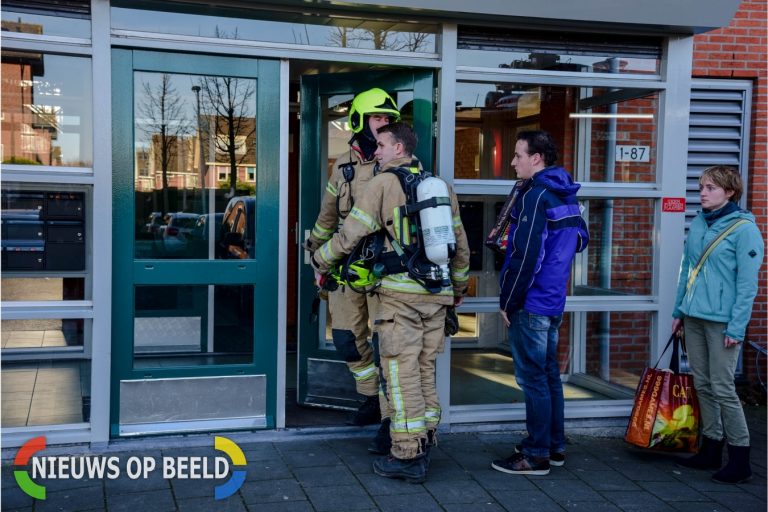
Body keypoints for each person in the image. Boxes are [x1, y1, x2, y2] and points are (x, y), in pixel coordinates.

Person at [311, 122, 470, 483]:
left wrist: (319, 260)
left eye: (382, 145)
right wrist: (457, 290)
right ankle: (425, 440)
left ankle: (407, 455)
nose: (376, 151)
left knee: (400, 375)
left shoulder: (382, 183)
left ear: (399, 148)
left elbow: (351, 232)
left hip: (399, 298)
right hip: (436, 296)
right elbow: (460, 245)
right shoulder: (440, 186)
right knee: (425, 371)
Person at [492, 130, 589, 476]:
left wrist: (508, 300)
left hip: (531, 302)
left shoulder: (535, 196)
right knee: (548, 377)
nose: (513, 161)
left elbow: (525, 256)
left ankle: (535, 455)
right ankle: (554, 446)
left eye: (518, 155)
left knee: (533, 379)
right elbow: (582, 238)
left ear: (536, 158)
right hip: (553, 300)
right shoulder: (566, 193)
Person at [304, 88, 400, 426]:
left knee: (384, 343)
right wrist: (316, 255)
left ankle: (390, 422)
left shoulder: (397, 166)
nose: (383, 124)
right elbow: (327, 217)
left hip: (382, 270)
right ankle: (370, 399)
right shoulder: (342, 166)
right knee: (346, 338)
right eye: (377, 118)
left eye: (388, 119)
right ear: (359, 120)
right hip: (345, 268)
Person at [672, 165, 763, 484]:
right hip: (693, 317)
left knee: (723, 387)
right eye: (701, 187)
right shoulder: (698, 222)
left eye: (710, 187)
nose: (703, 193)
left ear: (729, 192)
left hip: (723, 323)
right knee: (702, 384)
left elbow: (747, 285)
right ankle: (711, 448)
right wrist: (678, 311)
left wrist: (737, 328)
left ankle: (740, 459)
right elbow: (687, 268)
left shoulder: (744, 230)